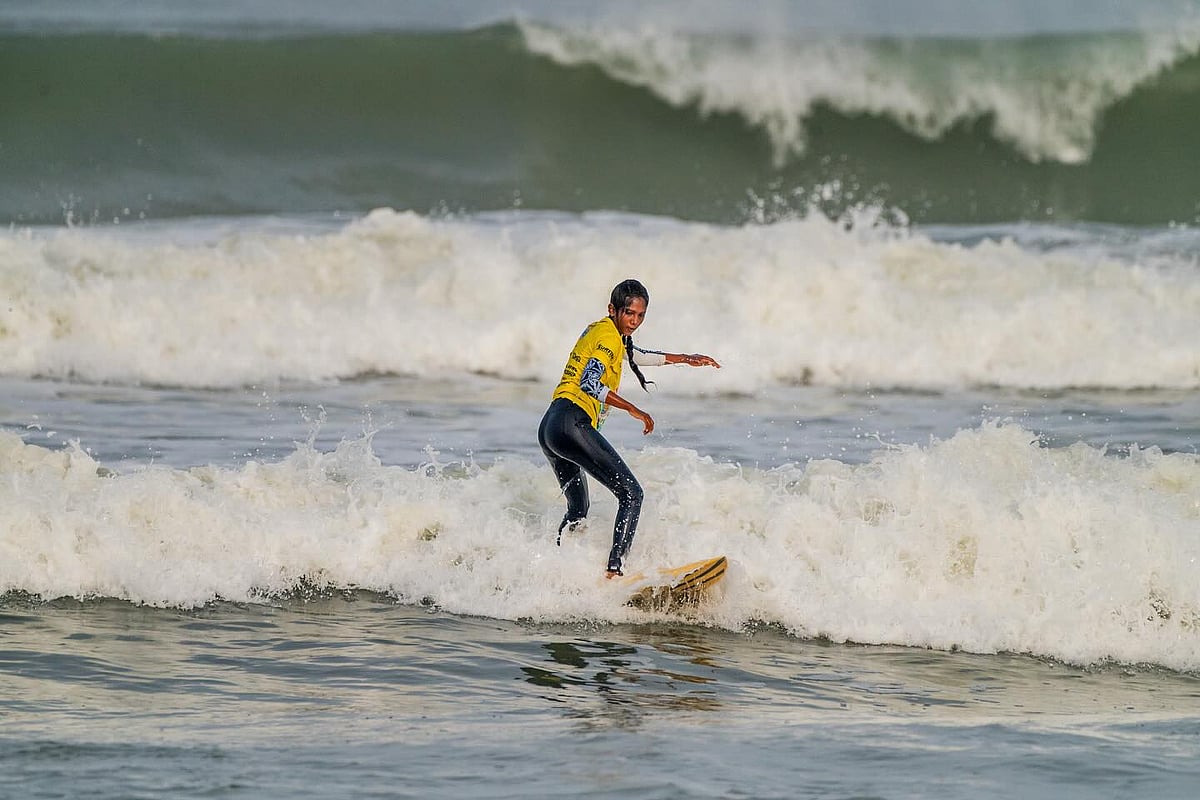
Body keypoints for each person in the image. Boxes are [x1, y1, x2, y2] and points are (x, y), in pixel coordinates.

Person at [538, 279, 720, 578]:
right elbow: (590, 382)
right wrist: (634, 409)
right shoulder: (610, 338)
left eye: (640, 315)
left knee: (578, 509)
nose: (634, 321)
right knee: (631, 494)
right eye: (629, 314)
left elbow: (636, 355)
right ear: (613, 309)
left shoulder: (603, 330)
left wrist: (685, 359)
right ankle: (615, 571)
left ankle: (555, 570)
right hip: (572, 422)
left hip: (550, 427)